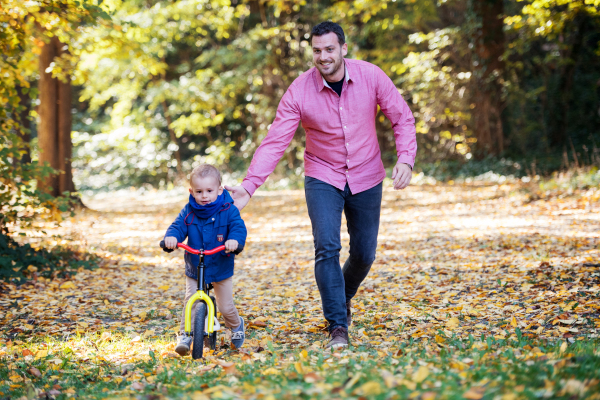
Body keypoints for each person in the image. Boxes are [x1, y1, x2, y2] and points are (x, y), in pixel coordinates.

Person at [226, 21, 416, 349]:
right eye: (316, 50)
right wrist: (249, 186)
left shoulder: (371, 76)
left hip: (367, 175)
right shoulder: (299, 90)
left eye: (329, 49)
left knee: (365, 254)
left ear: (343, 48)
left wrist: (406, 158)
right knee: (327, 247)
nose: (323, 56)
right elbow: (275, 141)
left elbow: (401, 117)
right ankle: (337, 326)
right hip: (322, 175)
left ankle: (341, 298)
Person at [164, 164, 248, 355]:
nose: (204, 196)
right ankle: (186, 333)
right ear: (191, 191)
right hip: (195, 264)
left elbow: (237, 227)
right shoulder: (189, 211)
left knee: (226, 306)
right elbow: (178, 226)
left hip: (220, 264)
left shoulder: (229, 210)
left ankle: (236, 325)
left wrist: (234, 240)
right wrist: (172, 237)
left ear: (219, 190)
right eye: (199, 191)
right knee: (190, 301)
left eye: (209, 191)